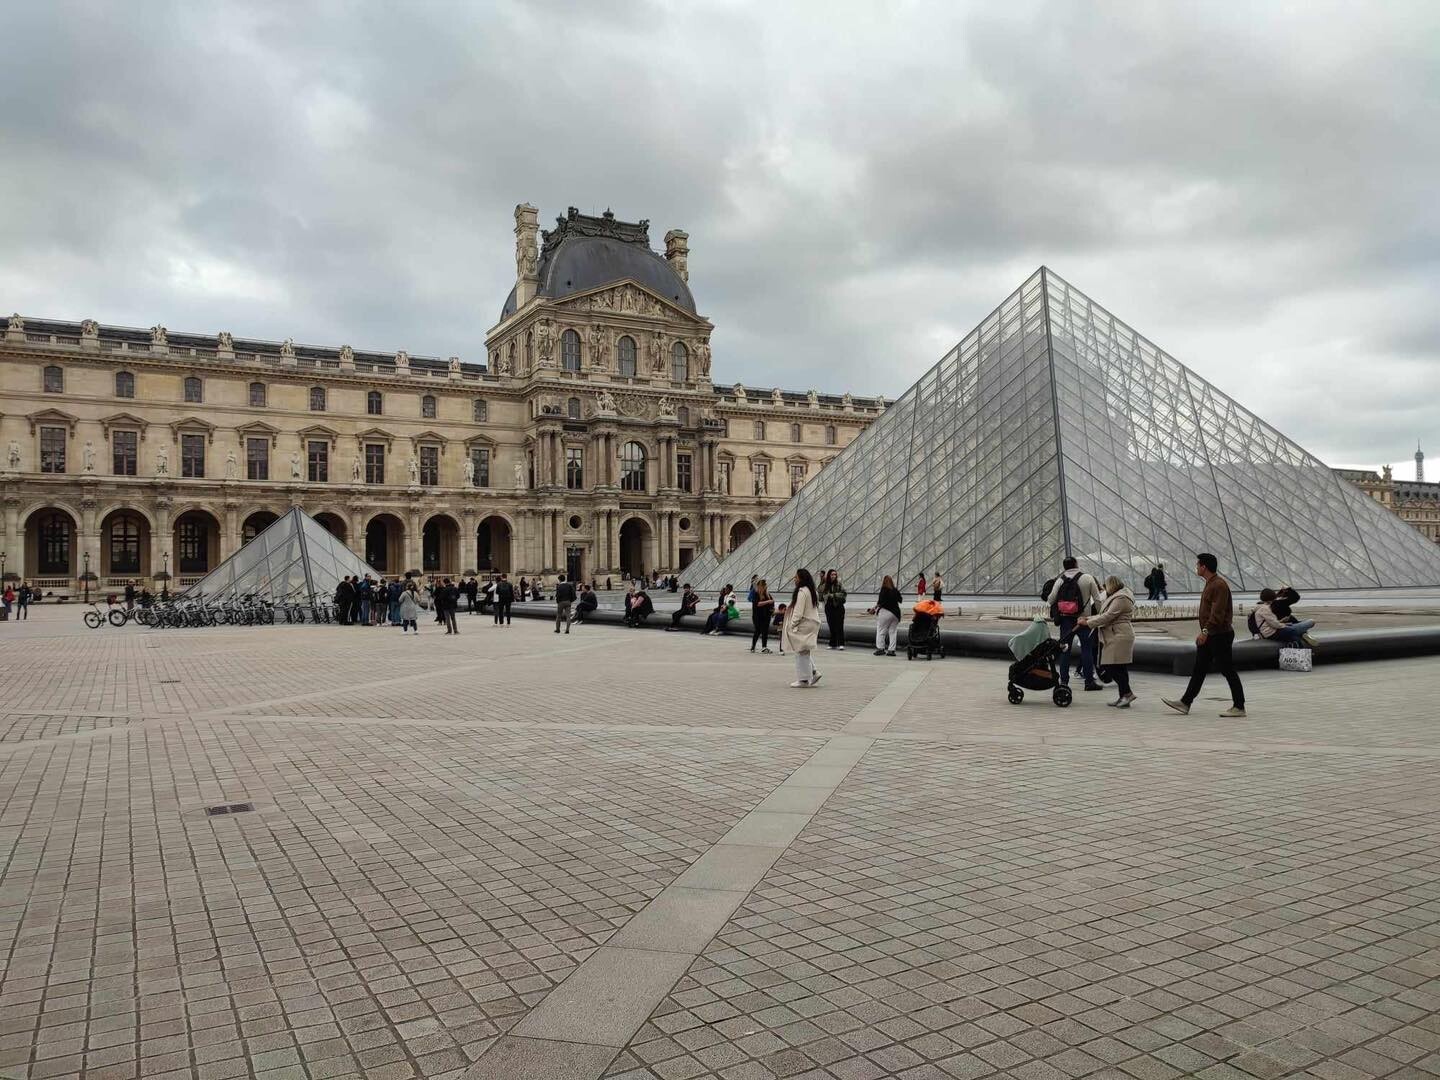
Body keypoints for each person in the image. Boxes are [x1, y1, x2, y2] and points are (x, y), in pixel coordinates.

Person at [1164, 553, 1246, 718]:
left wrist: (1205, 632)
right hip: (1212, 634)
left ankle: (1239, 706)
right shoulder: (1212, 583)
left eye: (1198, 565)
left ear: (1204, 567)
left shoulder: (1218, 585)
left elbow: (1217, 613)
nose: (1196, 567)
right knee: (1199, 669)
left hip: (1219, 635)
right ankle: (1185, 702)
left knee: (1227, 670)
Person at [1044, 557, 1102, 691]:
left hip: (1065, 621)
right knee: (1087, 650)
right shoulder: (1088, 578)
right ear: (1076, 564)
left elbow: (1050, 599)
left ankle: (1064, 682)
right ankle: (1089, 682)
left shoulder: (1060, 580)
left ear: (1064, 566)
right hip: (1084, 621)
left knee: (1065, 650)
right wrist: (1098, 616)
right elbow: (1097, 600)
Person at [1079, 576, 1137, 707]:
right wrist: (1088, 618)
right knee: (1119, 667)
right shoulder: (1119, 596)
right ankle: (1124, 696)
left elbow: (1108, 616)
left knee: (1110, 666)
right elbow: (1104, 614)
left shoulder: (1121, 598)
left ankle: (1127, 694)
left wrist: (1088, 623)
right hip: (1115, 635)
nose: (1105, 589)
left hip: (1118, 635)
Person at [784, 569, 822, 688]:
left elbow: (798, 611)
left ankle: (804, 680)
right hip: (813, 622)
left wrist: (792, 624)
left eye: (796, 577)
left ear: (801, 579)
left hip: (804, 623)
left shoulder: (802, 592)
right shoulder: (812, 591)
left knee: (800, 651)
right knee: (804, 650)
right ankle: (814, 672)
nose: (794, 579)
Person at [1253, 588, 1317, 646]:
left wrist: (1283, 623)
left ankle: (1302, 637)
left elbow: (1269, 623)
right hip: (1273, 632)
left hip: (1273, 629)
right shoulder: (1265, 608)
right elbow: (1275, 624)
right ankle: (1303, 634)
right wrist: (1285, 625)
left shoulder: (1259, 608)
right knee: (1309, 623)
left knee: (1294, 637)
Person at [867, 575, 903, 656]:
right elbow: (900, 600)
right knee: (893, 632)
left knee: (881, 631)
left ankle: (880, 649)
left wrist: (874, 608)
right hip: (896, 614)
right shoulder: (895, 590)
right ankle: (891, 650)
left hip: (885, 612)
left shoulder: (884, 589)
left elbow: (880, 602)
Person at [820, 569, 847, 651]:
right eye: (832, 574)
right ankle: (833, 643)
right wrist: (822, 581)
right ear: (829, 575)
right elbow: (820, 594)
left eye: (835, 574)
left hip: (838, 607)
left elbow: (844, 593)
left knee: (839, 625)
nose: (834, 576)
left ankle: (841, 643)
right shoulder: (825, 585)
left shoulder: (839, 584)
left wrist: (833, 595)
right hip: (829, 607)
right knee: (831, 625)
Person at [750, 579, 775, 653]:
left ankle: (764, 647)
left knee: (765, 631)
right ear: (761, 586)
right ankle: (753, 646)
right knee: (757, 631)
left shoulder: (767, 594)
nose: (766, 587)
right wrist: (768, 602)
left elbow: (772, 602)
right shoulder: (756, 594)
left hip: (766, 615)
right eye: (764, 585)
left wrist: (772, 609)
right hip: (758, 616)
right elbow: (758, 604)